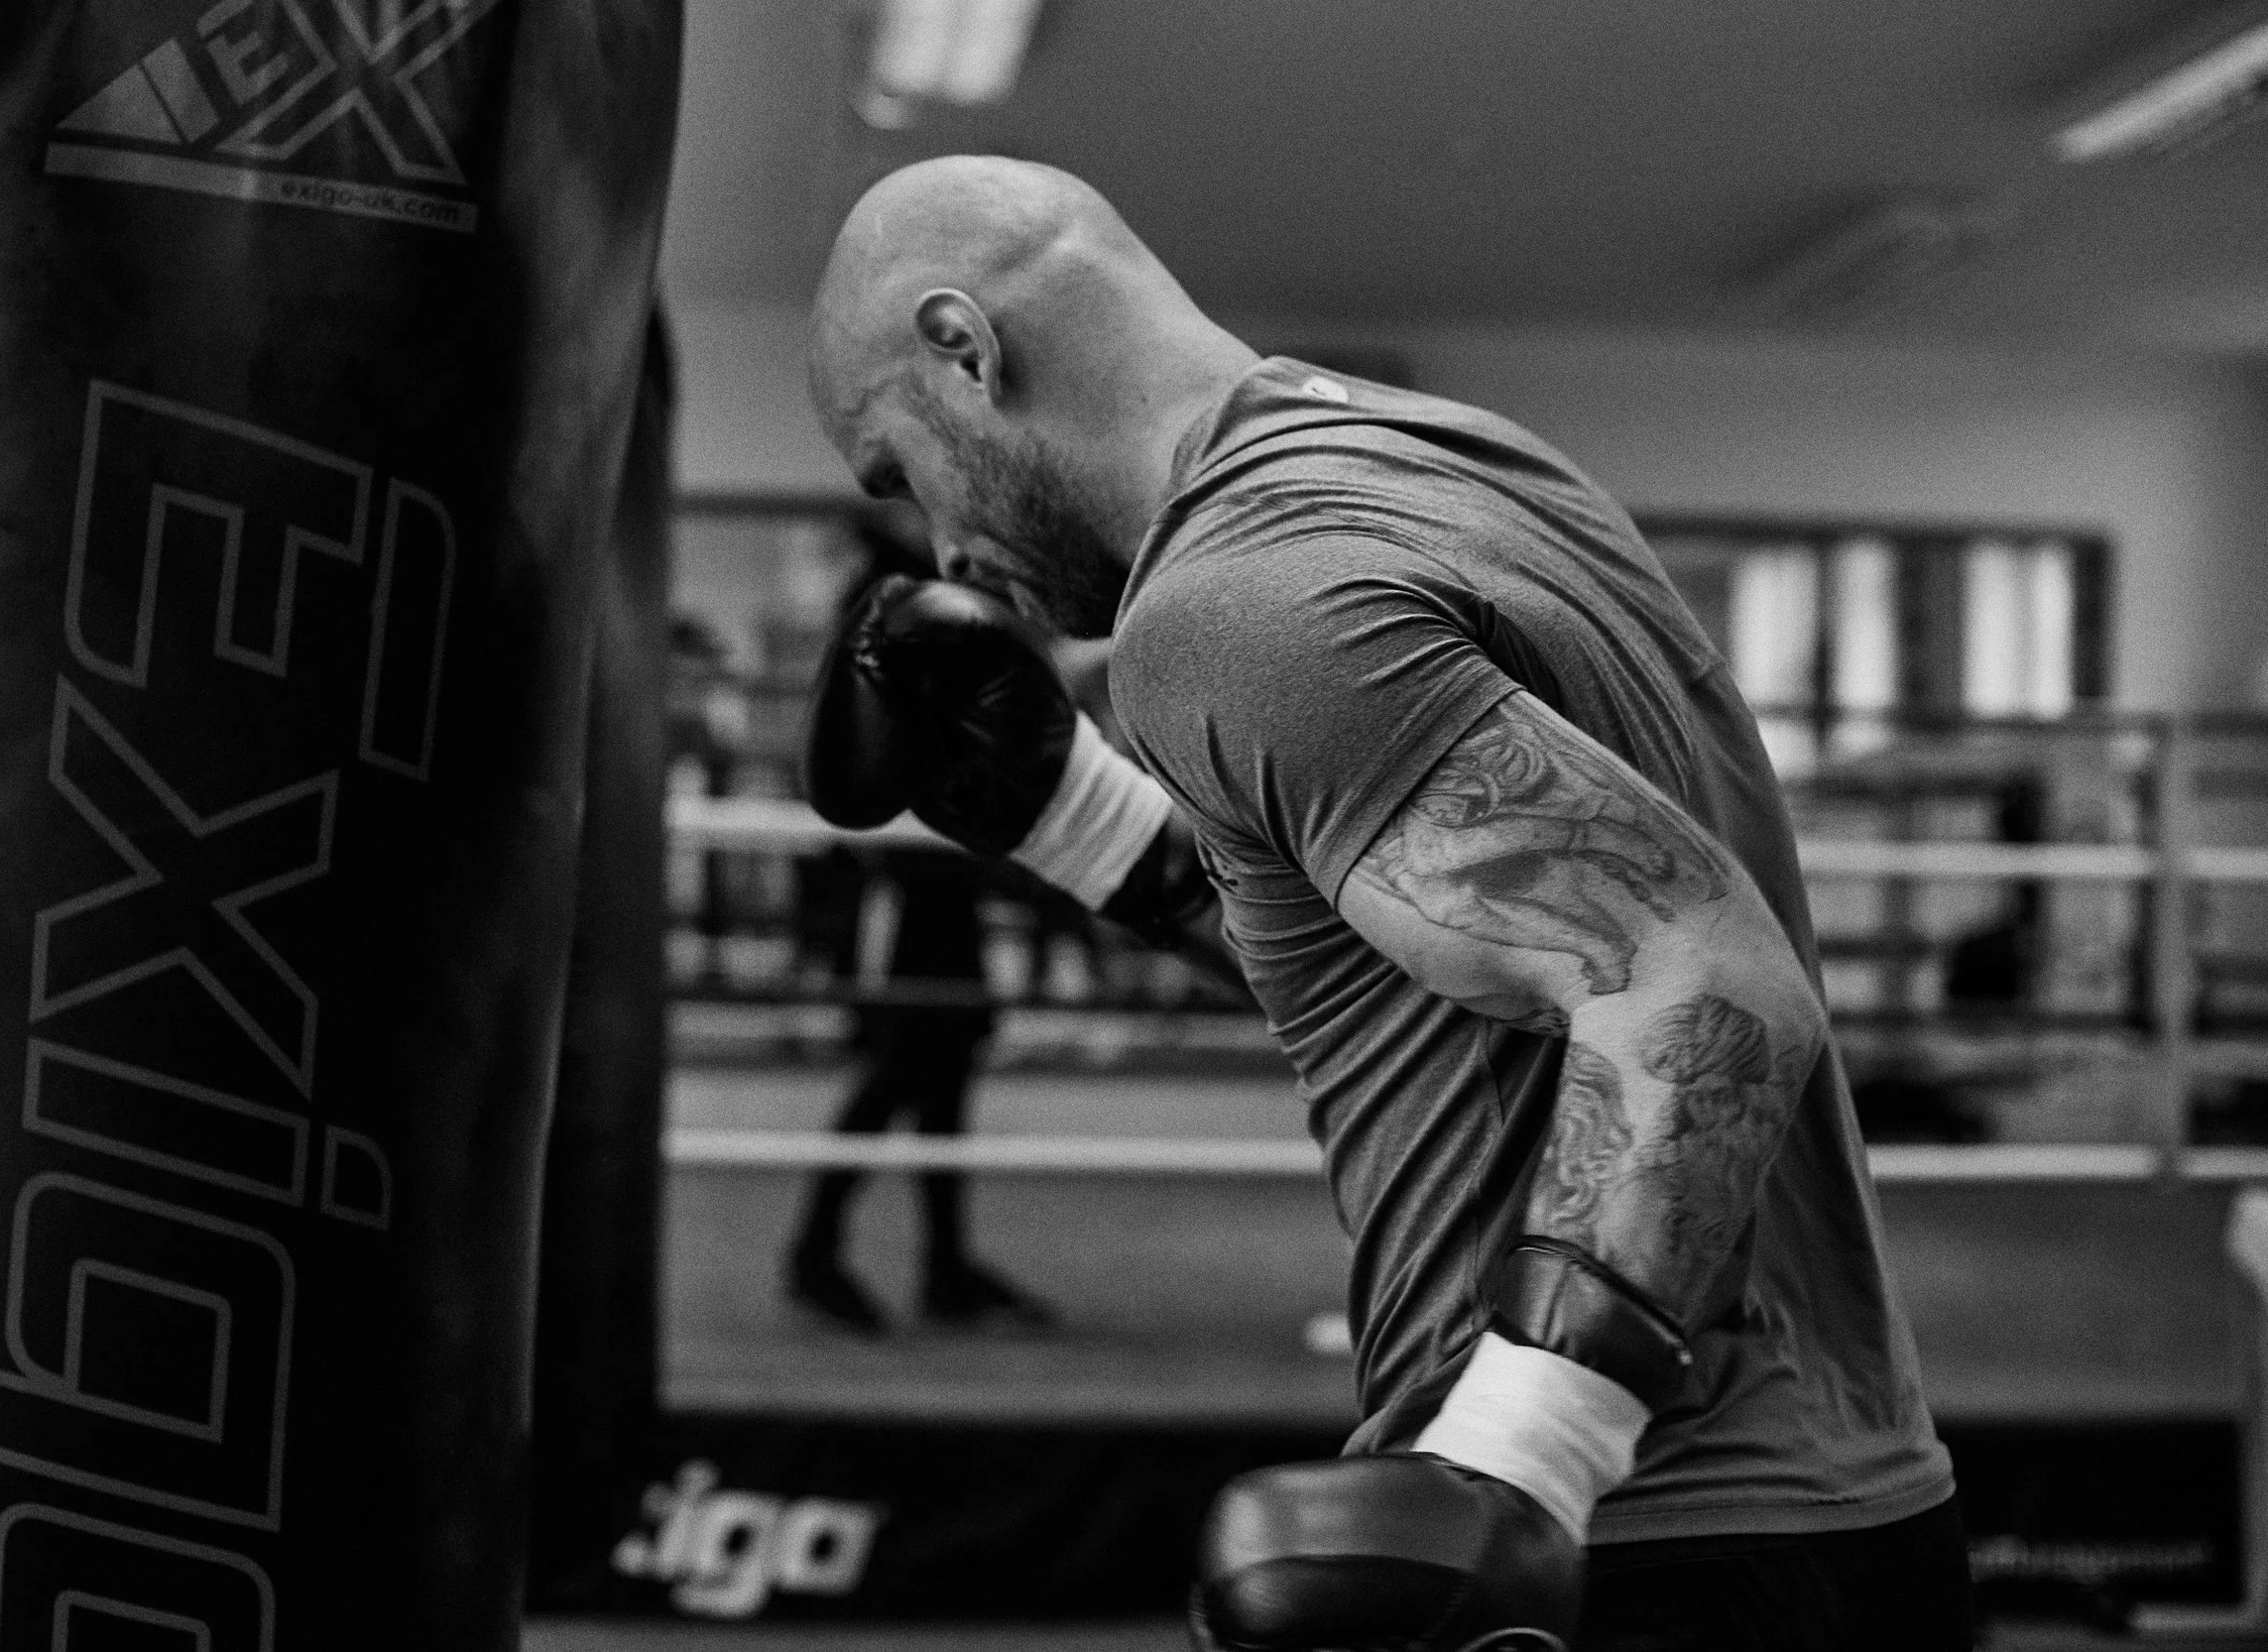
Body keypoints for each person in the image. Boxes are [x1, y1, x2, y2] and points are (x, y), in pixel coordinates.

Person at [799, 157, 1967, 1650]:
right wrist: (1074, 820)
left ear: (965, 347)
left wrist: (1522, 1462)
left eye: (899, 471)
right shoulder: (1469, 464)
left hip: (1638, 1544)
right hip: (1858, 1504)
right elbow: (1453, 949)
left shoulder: (1229, 601)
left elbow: (1704, 977)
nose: (945, 551)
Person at [786, 520, 1056, 1335]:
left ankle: (944, 1266)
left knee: (946, 1079)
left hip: (942, 888)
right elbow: (866, 796)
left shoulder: (919, 653)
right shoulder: (880, 655)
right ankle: (815, 1252)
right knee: (897, 1072)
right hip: (905, 896)